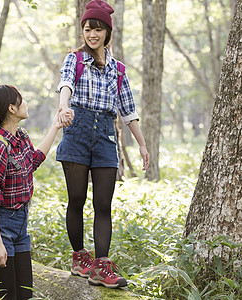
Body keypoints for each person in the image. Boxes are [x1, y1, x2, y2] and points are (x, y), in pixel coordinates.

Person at [55, 0, 150, 289]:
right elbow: (66, 84)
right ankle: (79, 257)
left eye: (97, 29)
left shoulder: (119, 69)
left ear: (107, 32)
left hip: (106, 135)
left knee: (103, 205)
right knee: (77, 199)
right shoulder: (75, 59)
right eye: (87, 29)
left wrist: (143, 146)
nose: (91, 34)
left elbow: (129, 111)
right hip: (77, 130)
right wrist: (63, 107)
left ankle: (102, 265)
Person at [0, 84, 65, 300]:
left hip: (20, 224)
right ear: (12, 109)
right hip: (0, 227)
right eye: (21, 100)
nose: (26, 103)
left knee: (25, 294)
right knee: (8, 296)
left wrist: (55, 127)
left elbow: (33, 161)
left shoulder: (21, 136)